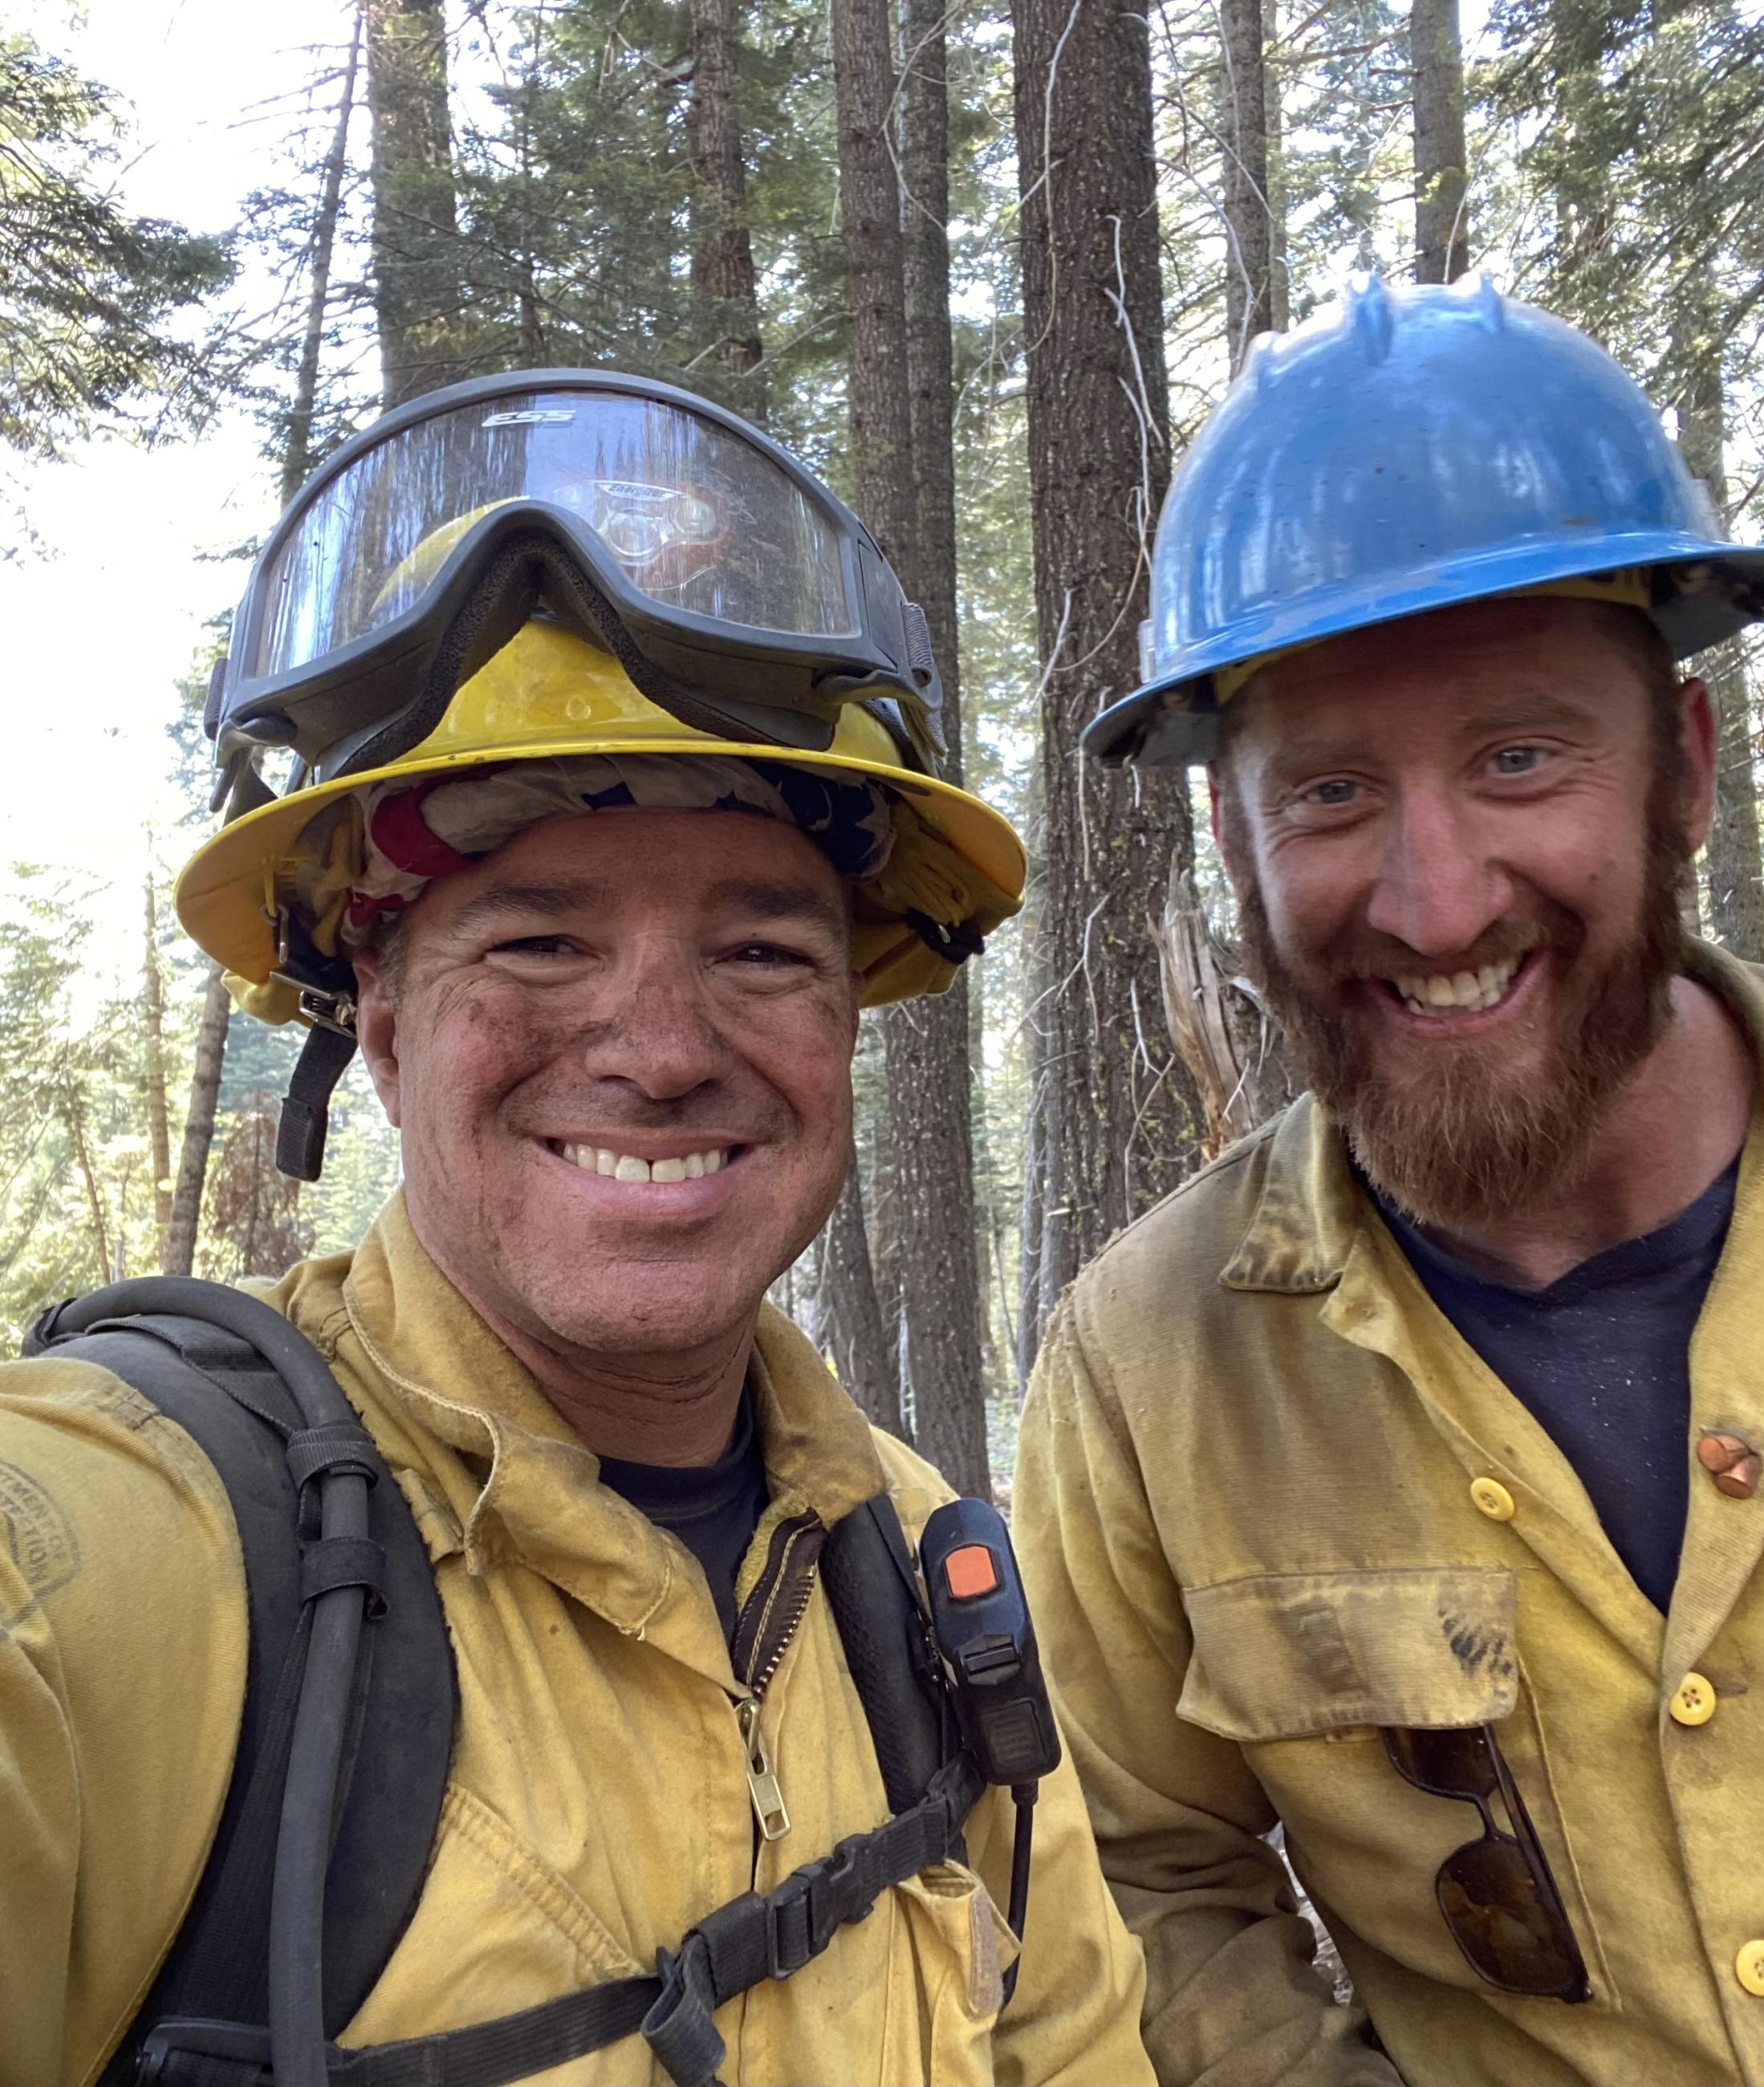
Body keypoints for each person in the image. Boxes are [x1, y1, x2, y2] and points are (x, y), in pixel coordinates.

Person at [0, 370, 1152, 2087]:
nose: (665, 1049)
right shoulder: (134, 1561)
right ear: (381, 1024)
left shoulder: (912, 1569)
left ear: (846, 1021)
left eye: (762, 951)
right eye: (536, 943)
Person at [1011, 276, 1764, 2086]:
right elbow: (1137, 1874)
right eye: (1333, 794)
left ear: (1680, 770)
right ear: (1234, 843)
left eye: (1519, 758)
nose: (1436, 900)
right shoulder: (1149, 1370)